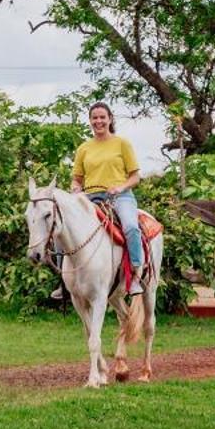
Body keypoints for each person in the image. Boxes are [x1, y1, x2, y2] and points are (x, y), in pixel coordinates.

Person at [71, 102, 145, 297]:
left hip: (119, 196)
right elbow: (77, 179)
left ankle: (136, 275)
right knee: (63, 225)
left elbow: (135, 176)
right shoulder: (84, 148)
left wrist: (120, 187)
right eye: (94, 118)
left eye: (102, 117)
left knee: (130, 226)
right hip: (90, 197)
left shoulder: (122, 144)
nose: (98, 121)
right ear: (90, 121)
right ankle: (64, 281)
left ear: (110, 119)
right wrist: (76, 189)